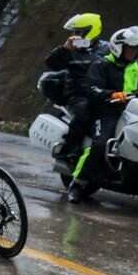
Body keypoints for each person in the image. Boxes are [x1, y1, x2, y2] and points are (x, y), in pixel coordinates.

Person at [70, 25, 138, 202]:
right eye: (131, 48)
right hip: (106, 111)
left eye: (136, 49)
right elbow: (91, 89)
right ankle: (78, 183)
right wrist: (112, 94)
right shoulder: (102, 64)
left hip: (134, 112)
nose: (134, 52)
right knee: (100, 144)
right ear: (119, 47)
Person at [46, 12, 108, 164]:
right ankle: (69, 149)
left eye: (79, 32)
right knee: (84, 112)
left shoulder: (108, 48)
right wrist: (64, 49)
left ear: (91, 30)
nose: (74, 36)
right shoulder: (71, 49)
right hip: (78, 93)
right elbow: (51, 64)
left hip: (101, 93)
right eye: (74, 32)